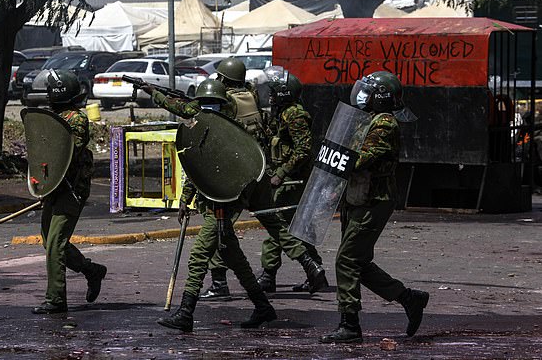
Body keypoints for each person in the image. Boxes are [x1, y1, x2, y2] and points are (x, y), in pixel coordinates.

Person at [147, 60, 327, 299]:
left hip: (233, 178)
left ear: (223, 79)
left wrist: (155, 94)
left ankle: (216, 284)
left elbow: (192, 120)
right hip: (257, 171)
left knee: (216, 229)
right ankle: (309, 265)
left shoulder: (224, 104)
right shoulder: (249, 96)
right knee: (275, 225)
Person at [155, 79, 277, 331]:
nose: (210, 108)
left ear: (224, 106)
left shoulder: (233, 133)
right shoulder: (200, 131)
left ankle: (186, 312)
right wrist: (185, 198)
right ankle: (263, 307)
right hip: (210, 202)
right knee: (235, 258)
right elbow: (197, 168)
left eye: (215, 104)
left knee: (200, 256)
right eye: (206, 104)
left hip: (224, 204)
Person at [320, 71, 429, 343]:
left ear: (380, 97)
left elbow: (360, 159)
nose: (361, 95)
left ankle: (350, 324)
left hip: (373, 201)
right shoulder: (366, 119)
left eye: (367, 91)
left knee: (346, 259)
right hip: (357, 198)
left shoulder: (384, 124)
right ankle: (409, 298)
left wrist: (333, 160)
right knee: (358, 262)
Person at [32, 69, 107, 314]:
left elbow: (68, 152)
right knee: (49, 241)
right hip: (53, 186)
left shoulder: (76, 119)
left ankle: (56, 299)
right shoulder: (52, 116)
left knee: (55, 242)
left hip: (71, 189)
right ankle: (90, 270)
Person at [256, 66, 327, 294]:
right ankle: (314, 272)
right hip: (284, 179)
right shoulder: (281, 113)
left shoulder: (294, 114)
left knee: (279, 227)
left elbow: (304, 149)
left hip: (293, 182)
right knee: (291, 227)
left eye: (275, 92)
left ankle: (272, 274)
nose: (272, 96)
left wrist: (282, 172)